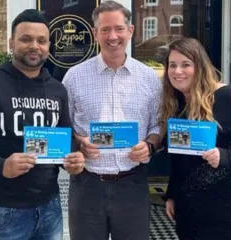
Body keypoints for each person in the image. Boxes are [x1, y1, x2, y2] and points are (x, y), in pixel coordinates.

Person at [0, 9, 85, 240]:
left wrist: (73, 158)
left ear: (48, 46)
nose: (34, 46)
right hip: (5, 209)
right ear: (11, 42)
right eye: (26, 39)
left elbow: (65, 137)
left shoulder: (57, 90)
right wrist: (0, 165)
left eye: (41, 41)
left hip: (50, 206)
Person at [62, 1, 162, 239]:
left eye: (118, 28)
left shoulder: (149, 78)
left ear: (131, 31)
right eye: (105, 29)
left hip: (132, 185)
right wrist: (79, 141)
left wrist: (149, 145)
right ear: (95, 33)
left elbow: (158, 125)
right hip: (87, 185)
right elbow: (63, 125)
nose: (112, 36)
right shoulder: (74, 77)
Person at [160, 37, 231, 240]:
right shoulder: (177, 104)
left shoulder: (229, 97)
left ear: (201, 66)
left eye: (186, 64)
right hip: (192, 212)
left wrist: (228, 155)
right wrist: (172, 193)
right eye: (172, 65)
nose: (178, 71)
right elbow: (181, 158)